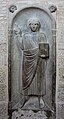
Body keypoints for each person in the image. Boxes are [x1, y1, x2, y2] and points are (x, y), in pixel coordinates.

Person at [15, 17, 47, 108]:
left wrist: (42, 53)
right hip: (27, 60)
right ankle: (25, 97)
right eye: (32, 24)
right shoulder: (25, 35)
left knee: (39, 79)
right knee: (26, 79)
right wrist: (18, 35)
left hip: (39, 61)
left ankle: (40, 98)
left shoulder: (42, 35)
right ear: (29, 25)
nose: (34, 26)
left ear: (38, 25)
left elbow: (44, 48)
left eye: (36, 24)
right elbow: (21, 47)